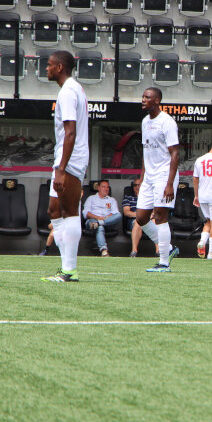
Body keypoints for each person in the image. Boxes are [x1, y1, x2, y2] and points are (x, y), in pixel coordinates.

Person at [42, 50, 89, 282]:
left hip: (70, 160)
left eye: (49, 64)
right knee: (53, 210)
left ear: (60, 67)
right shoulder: (72, 89)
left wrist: (61, 168)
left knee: (70, 212)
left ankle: (69, 271)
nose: (46, 68)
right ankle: (65, 265)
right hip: (64, 158)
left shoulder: (68, 91)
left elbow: (70, 133)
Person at [135, 87, 180, 272]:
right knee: (141, 218)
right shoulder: (145, 121)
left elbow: (175, 153)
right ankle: (168, 248)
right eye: (143, 96)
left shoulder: (167, 122)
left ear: (157, 101)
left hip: (164, 175)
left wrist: (170, 184)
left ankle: (164, 262)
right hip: (149, 177)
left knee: (160, 216)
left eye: (147, 97)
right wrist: (141, 179)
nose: (143, 99)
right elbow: (146, 151)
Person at [83, 179, 121, 257]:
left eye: (107, 187)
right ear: (98, 188)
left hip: (107, 222)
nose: (106, 189)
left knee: (119, 215)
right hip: (92, 221)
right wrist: (98, 218)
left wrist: (104, 219)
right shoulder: (91, 198)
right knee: (99, 226)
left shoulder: (111, 200)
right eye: (104, 187)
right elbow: (85, 213)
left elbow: (115, 213)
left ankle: (99, 223)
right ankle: (104, 250)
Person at [122, 178, 146, 258]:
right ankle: (134, 251)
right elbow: (126, 212)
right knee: (138, 222)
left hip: (147, 220)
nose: (137, 187)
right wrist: (141, 216)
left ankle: (158, 251)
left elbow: (153, 212)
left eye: (139, 185)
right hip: (133, 221)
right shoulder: (128, 198)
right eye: (135, 185)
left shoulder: (148, 197)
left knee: (155, 222)